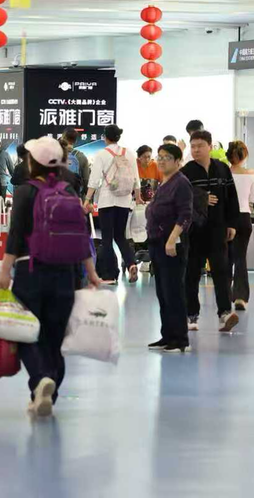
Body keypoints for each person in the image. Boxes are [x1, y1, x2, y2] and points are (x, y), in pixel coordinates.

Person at [0, 137, 102, 416]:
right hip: (66, 274)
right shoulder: (69, 190)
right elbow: (82, 233)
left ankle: (40, 380)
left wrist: (5, 270)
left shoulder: (25, 192)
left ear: (33, 162)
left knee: (25, 333)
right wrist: (92, 273)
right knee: (54, 339)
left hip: (30, 270)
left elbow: (16, 234)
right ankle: (48, 396)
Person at [181, 130, 239, 334]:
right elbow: (180, 198)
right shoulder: (186, 171)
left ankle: (225, 313)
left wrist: (232, 224)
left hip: (218, 229)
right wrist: (201, 197)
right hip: (194, 231)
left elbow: (232, 197)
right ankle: (191, 314)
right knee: (192, 273)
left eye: (200, 146)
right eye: (193, 146)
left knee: (222, 272)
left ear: (210, 146)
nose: (196, 150)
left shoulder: (222, 169)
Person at [145, 143, 193, 354]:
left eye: (167, 157)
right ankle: (167, 335)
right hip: (156, 243)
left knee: (173, 291)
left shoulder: (181, 183)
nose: (162, 161)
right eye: (160, 156)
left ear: (177, 161)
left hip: (171, 244)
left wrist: (172, 239)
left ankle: (180, 339)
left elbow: (185, 215)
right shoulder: (164, 182)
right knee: (162, 292)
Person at [84, 124, 140, 285]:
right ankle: (131, 263)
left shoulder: (102, 154)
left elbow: (94, 180)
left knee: (107, 238)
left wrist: (87, 199)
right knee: (120, 236)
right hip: (124, 200)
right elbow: (135, 178)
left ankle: (109, 275)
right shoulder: (129, 153)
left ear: (105, 137)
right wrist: (137, 196)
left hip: (107, 200)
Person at [227, 141, 254, 311]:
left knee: (225, 258)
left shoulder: (223, 174)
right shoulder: (251, 175)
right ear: (244, 155)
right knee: (240, 258)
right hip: (244, 217)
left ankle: (224, 295)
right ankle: (241, 297)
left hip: (226, 219)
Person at [60, 129, 91, 199]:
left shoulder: (55, 155)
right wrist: (87, 198)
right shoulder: (81, 157)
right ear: (75, 141)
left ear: (63, 138)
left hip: (58, 196)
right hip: (76, 196)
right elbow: (86, 180)